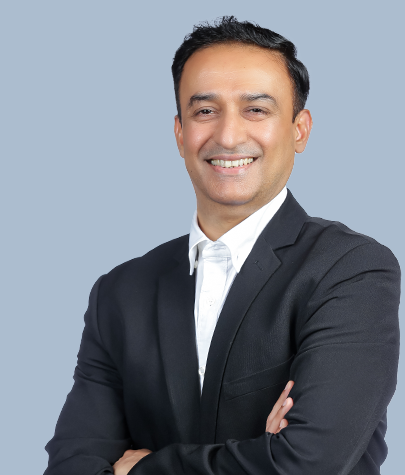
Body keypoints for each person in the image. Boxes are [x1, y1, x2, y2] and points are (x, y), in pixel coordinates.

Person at [43, 16, 401, 475]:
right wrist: (262, 453)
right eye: (205, 111)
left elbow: (309, 463)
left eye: (256, 110)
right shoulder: (120, 292)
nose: (229, 136)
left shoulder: (350, 270)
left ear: (299, 129)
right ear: (180, 133)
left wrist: (139, 468)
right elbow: (70, 465)